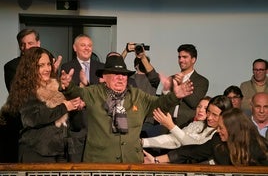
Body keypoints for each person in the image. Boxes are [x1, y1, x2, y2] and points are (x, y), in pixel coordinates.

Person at [59, 53, 194, 163]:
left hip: (131, 162)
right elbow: (76, 93)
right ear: (104, 77)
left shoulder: (137, 95)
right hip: (100, 163)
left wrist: (175, 95)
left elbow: (158, 104)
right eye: (115, 74)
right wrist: (68, 86)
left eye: (123, 74)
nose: (120, 78)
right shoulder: (94, 92)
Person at [1, 47, 85, 162]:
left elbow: (71, 121)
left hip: (61, 152)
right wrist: (64, 107)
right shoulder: (26, 89)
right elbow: (33, 118)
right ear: (30, 68)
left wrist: (75, 105)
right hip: (37, 153)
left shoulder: (57, 87)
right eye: (41, 65)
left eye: (48, 64)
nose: (47, 69)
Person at [144, 108, 268, 166]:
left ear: (233, 130)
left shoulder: (259, 146)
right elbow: (191, 152)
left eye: (221, 128)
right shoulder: (217, 141)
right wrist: (156, 160)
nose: (217, 130)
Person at [60, 34, 104, 162]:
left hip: (97, 123)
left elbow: (103, 92)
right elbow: (65, 92)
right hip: (76, 124)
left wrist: (87, 86)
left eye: (89, 45)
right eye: (83, 45)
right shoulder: (67, 67)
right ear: (75, 48)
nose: (87, 48)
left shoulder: (101, 67)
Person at [142, 95, 232, 150]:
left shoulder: (220, 134)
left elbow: (197, 149)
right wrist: (142, 142)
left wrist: (172, 126)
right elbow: (174, 140)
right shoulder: (197, 125)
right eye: (208, 112)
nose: (209, 117)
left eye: (215, 115)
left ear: (225, 115)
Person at [162, 44, 209, 129]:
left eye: (184, 57)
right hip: (167, 122)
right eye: (179, 57)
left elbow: (194, 102)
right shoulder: (172, 79)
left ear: (193, 59)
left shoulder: (202, 81)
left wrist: (181, 84)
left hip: (186, 124)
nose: (181, 60)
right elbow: (162, 102)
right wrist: (165, 90)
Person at [122, 43, 161, 137]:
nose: (143, 63)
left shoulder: (153, 79)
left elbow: (153, 74)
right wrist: (126, 51)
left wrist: (143, 57)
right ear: (135, 66)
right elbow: (115, 67)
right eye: (141, 62)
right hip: (130, 118)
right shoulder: (129, 78)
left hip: (147, 120)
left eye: (146, 62)